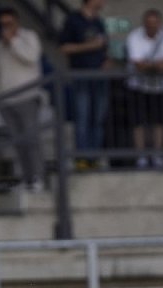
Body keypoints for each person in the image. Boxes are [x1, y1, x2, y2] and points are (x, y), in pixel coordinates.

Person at [0, 8, 43, 190]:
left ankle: (37, 177)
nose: (6, 27)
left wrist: (13, 41)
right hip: (6, 99)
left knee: (31, 139)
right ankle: (25, 178)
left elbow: (31, 57)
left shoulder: (29, 37)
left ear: (16, 22)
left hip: (26, 96)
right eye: (2, 24)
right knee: (17, 142)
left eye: (9, 23)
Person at [57, 0, 108, 168]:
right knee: (82, 117)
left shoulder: (98, 21)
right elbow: (64, 48)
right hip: (81, 76)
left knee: (98, 118)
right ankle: (81, 157)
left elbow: (103, 47)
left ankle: (94, 157)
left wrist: (105, 60)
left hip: (99, 77)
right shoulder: (73, 20)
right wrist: (89, 46)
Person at [125, 7, 163, 168]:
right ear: (144, 24)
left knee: (159, 121)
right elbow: (138, 64)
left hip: (160, 87)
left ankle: (157, 155)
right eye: (148, 24)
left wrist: (152, 65)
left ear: (159, 24)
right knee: (138, 122)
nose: (151, 27)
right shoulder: (134, 37)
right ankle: (140, 156)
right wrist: (158, 66)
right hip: (137, 86)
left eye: (154, 24)